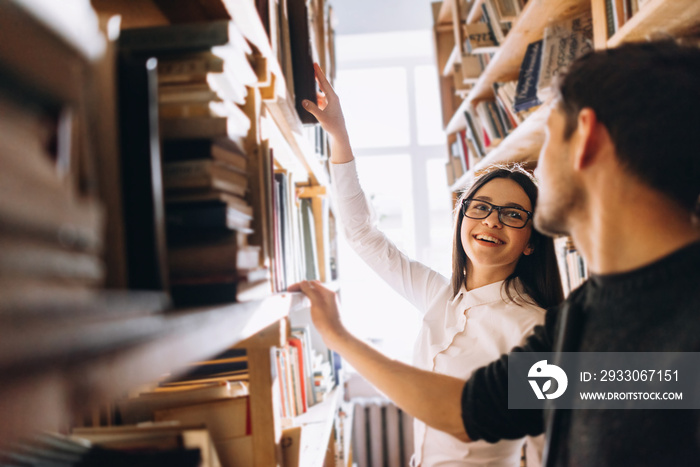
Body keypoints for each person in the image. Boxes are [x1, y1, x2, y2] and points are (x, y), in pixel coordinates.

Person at [289, 39, 700, 466]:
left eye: (547, 139)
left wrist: (340, 337)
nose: (538, 166)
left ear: (586, 138)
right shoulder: (582, 320)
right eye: (481, 208)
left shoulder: (645, 338)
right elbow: (474, 409)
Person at [299, 62, 563, 466]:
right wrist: (338, 134)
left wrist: (338, 335)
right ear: (462, 219)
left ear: (531, 242)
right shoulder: (439, 295)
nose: (492, 220)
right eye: (482, 207)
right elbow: (362, 235)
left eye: (513, 214)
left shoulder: (534, 326)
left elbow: (549, 447)